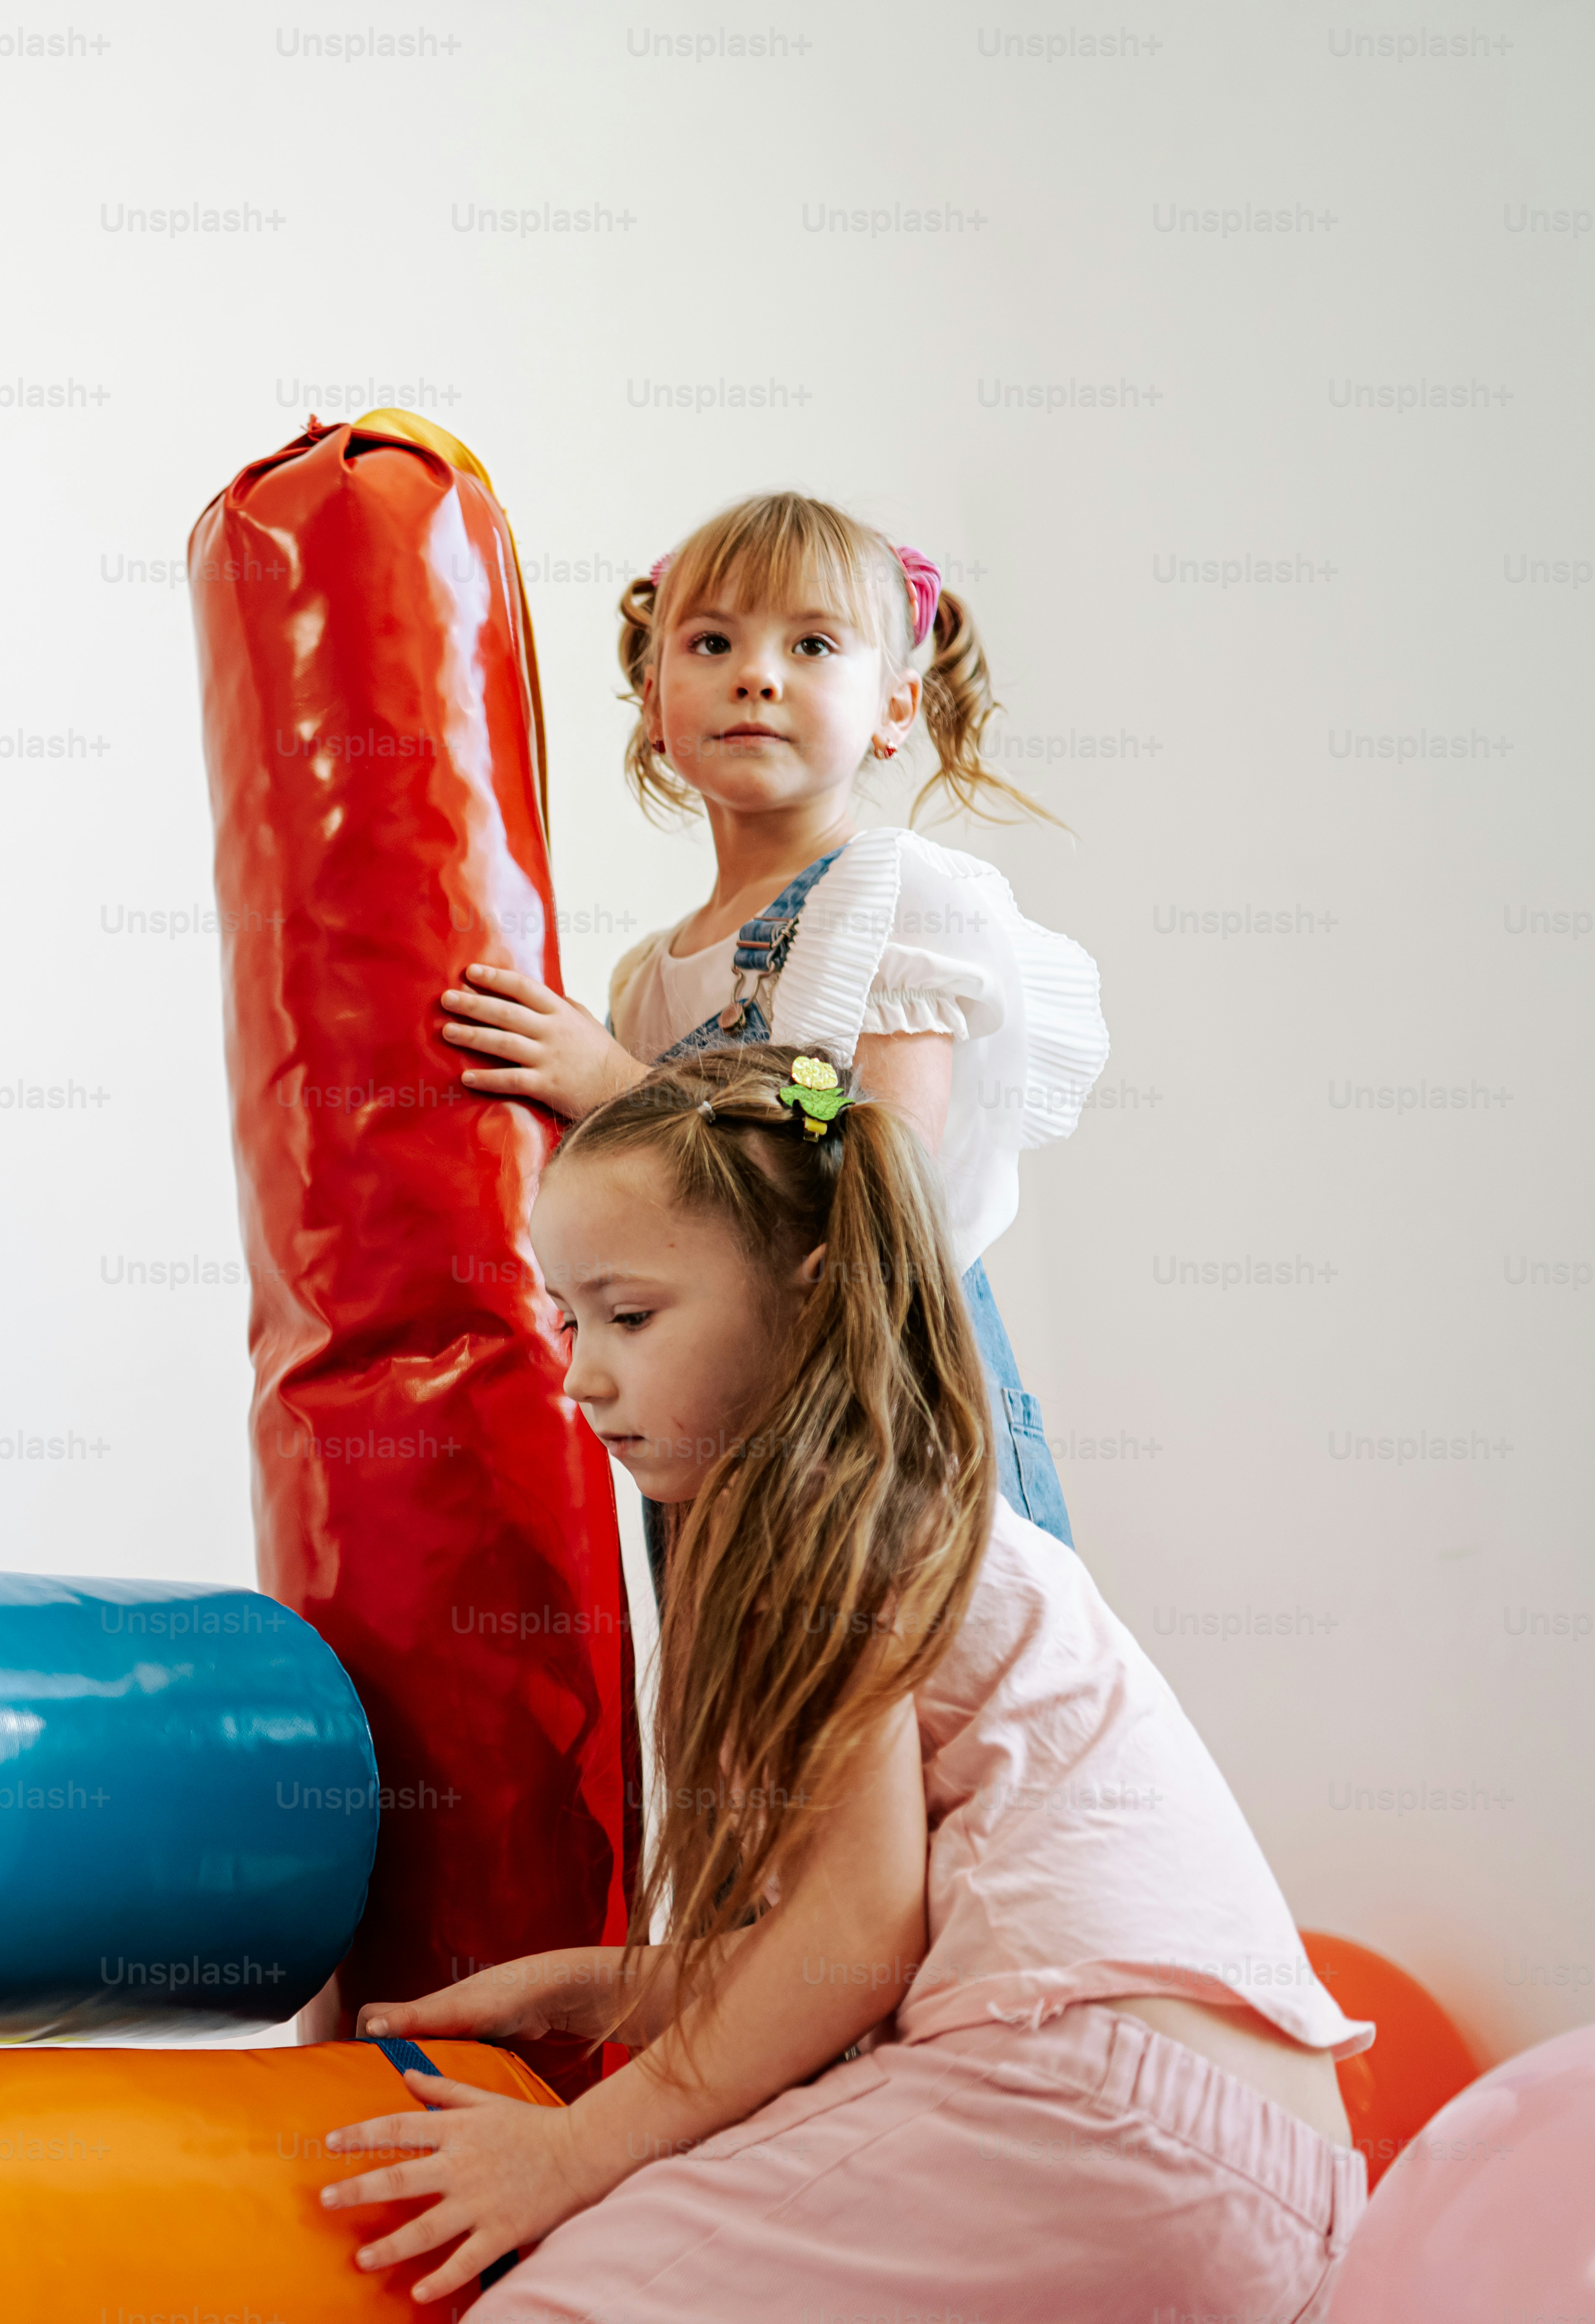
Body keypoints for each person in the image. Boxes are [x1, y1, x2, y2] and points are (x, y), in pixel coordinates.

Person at [317, 1044, 1366, 2318]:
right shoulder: (937, 1516)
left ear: (811, 1303)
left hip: (1083, 2106)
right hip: (1280, 2174)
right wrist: (595, 1984)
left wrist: (574, 2154)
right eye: (565, 1319)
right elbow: (866, 1936)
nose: (583, 1372)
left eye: (631, 1316)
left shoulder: (812, 1524)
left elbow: (859, 1939)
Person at [436, 493, 1106, 1548]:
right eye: (714, 642)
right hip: (716, 1436)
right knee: (747, 1712)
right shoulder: (650, 978)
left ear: (895, 709)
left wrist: (611, 1087)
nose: (758, 673)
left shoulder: (900, 900)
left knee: (919, 1708)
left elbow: (883, 1189)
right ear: (655, 702)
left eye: (812, 644)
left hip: (883, 1430)